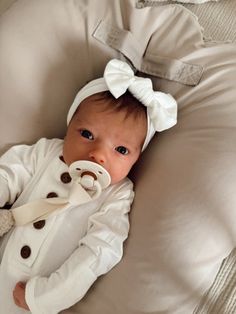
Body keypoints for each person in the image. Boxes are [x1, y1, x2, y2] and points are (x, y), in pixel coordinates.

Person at [0, 58, 177, 313]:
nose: (98, 154)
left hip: (32, 295)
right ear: (69, 125)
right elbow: (9, 173)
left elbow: (97, 253)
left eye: (121, 150)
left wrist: (46, 297)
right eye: (87, 135)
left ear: (136, 159)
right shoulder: (47, 152)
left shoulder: (117, 194)